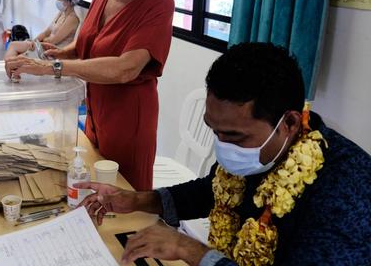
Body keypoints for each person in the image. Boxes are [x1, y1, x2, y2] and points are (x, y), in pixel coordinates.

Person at [77, 43, 371, 266]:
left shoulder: (346, 190)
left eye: (233, 135)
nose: (222, 145)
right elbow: (212, 191)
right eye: (214, 130)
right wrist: (138, 200)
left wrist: (189, 250)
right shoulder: (260, 150)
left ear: (290, 123)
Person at [4, 0, 174, 191]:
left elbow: (124, 68)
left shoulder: (158, 4)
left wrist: (53, 67)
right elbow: (92, 43)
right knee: (90, 186)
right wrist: (63, 52)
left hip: (127, 121)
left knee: (123, 202)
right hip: (95, 113)